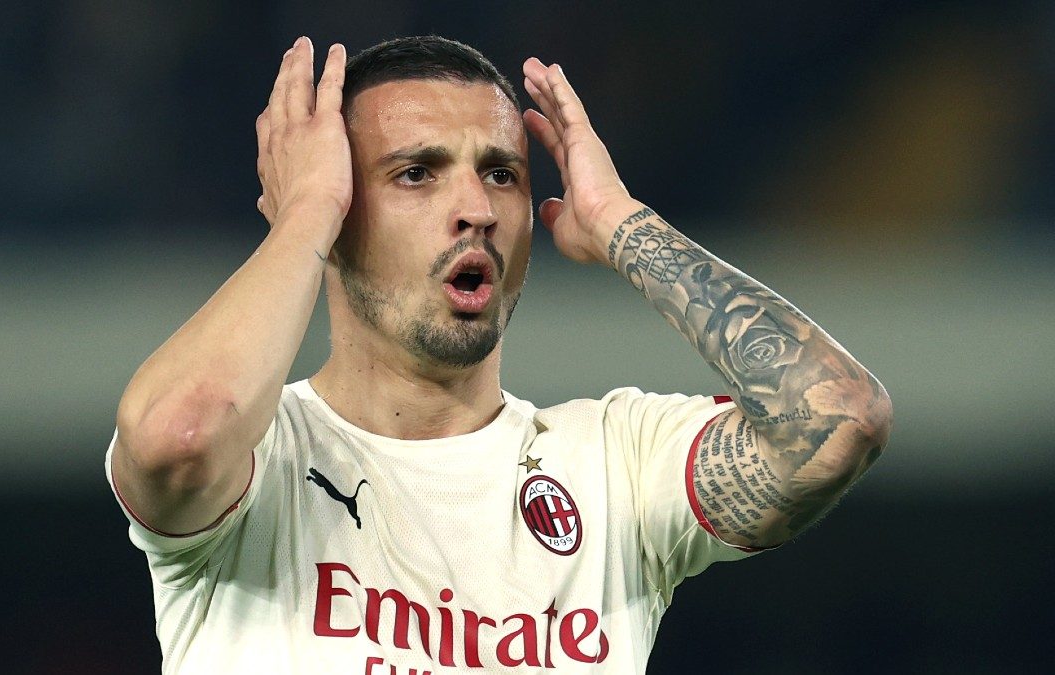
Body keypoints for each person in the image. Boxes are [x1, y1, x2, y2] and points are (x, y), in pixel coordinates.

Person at [106, 35, 892, 674]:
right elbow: (180, 435)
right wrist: (305, 211)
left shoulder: (611, 466)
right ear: (340, 210)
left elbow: (838, 418)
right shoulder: (262, 461)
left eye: (501, 174)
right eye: (416, 173)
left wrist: (620, 221)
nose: (476, 209)